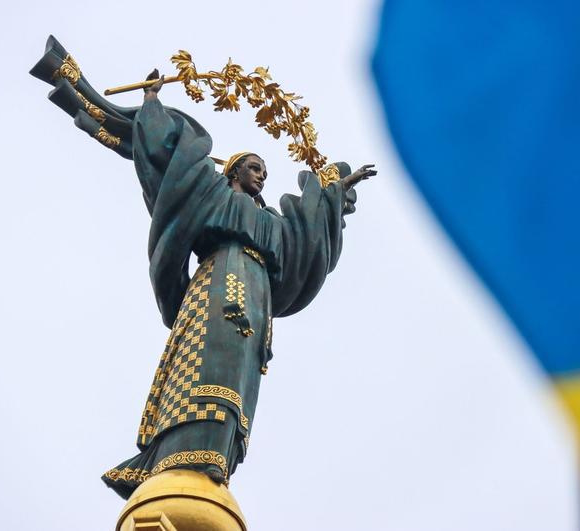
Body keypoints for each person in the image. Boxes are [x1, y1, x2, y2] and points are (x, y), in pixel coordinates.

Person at [30, 38, 376, 499]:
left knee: (239, 376)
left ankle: (217, 458)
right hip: (218, 281)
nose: (262, 175)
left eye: (264, 171)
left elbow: (307, 238)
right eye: (254, 167)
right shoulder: (212, 195)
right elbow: (172, 158)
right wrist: (153, 104)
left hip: (257, 296)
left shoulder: (273, 224)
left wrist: (334, 192)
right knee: (208, 364)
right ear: (233, 172)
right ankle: (180, 455)